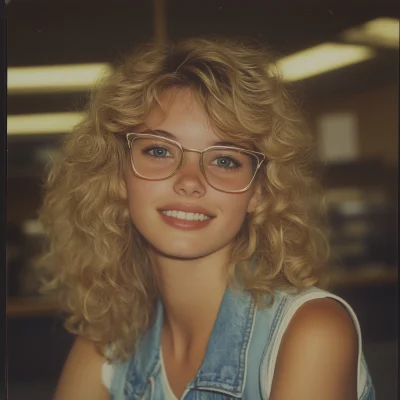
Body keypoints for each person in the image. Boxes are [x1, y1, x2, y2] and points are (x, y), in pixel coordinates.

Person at [39, 36, 375, 399]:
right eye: (159, 150)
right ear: (118, 176)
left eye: (225, 159)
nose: (190, 181)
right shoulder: (108, 343)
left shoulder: (310, 331)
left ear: (259, 192)